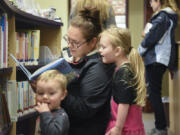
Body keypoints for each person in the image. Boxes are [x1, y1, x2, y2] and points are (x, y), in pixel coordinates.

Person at [61, 7, 114, 135]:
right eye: (68, 39)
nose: (69, 46)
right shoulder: (75, 54)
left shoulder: (99, 68)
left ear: (93, 42)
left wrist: (56, 93)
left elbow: (85, 108)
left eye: (75, 42)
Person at [138, 0, 180, 134]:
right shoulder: (167, 16)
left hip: (156, 59)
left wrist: (139, 50)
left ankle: (161, 128)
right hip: (159, 59)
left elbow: (151, 37)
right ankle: (160, 126)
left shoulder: (162, 16)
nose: (150, 4)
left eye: (152, 1)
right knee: (155, 93)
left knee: (154, 94)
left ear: (159, 1)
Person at [98, 26, 147, 135]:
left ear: (117, 51)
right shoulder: (126, 68)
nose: (99, 50)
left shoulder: (123, 73)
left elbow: (124, 104)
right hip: (129, 125)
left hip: (124, 128)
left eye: (103, 47)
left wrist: (118, 128)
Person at [34, 70, 69, 135]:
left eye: (51, 93)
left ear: (63, 95)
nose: (44, 97)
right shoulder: (43, 112)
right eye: (40, 93)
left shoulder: (61, 116)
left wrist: (45, 113)